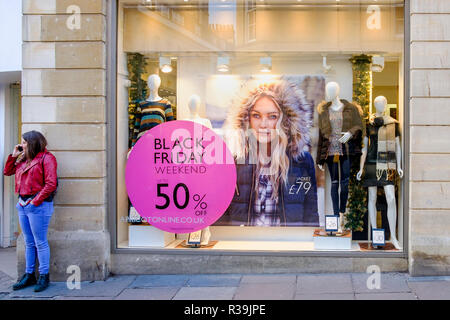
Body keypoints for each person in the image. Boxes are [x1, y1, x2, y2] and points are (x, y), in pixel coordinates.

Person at [217, 80, 319, 227]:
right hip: (243, 247)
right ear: (247, 119)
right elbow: (222, 218)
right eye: (256, 115)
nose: (263, 124)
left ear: (285, 121)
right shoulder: (234, 161)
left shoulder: (301, 161)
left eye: (272, 116)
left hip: (286, 247)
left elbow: (311, 217)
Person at [3, 130, 57, 292]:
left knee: (40, 242)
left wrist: (34, 202)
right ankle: (28, 275)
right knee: (29, 242)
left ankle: (43, 276)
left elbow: (50, 184)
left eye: (25, 142)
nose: (22, 145)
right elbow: (7, 172)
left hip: (38, 204)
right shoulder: (23, 159)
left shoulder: (47, 159)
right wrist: (13, 155)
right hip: (23, 203)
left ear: (33, 142)